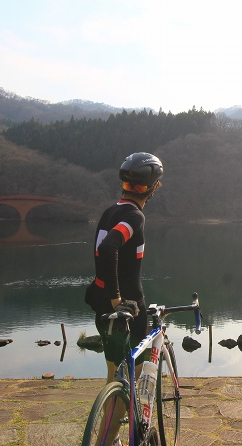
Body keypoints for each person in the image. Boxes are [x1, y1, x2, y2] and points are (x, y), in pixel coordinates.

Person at [84, 152, 163, 445]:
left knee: (113, 377)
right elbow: (109, 247)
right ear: (153, 187)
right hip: (127, 310)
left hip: (102, 306)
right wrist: (119, 299)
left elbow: (105, 249)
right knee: (128, 380)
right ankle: (108, 441)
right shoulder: (134, 216)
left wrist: (109, 298)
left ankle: (111, 438)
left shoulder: (110, 211)